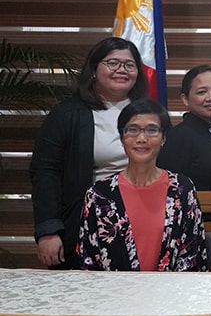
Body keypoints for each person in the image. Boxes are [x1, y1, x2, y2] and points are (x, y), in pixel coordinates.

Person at [30, 37, 147, 269]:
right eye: (112, 63)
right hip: (83, 223)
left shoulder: (150, 113)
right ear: (94, 70)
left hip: (142, 220)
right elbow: (45, 173)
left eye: (129, 65)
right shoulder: (67, 114)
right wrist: (48, 231)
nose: (122, 70)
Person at [78, 99, 207, 271]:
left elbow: (193, 254)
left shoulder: (182, 189)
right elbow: (88, 261)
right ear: (122, 137)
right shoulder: (98, 194)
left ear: (163, 138)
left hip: (172, 293)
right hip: (113, 295)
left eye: (152, 130)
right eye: (132, 130)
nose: (141, 138)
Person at [157, 64, 211, 270]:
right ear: (185, 99)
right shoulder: (178, 136)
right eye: (201, 92)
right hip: (198, 232)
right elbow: (172, 193)